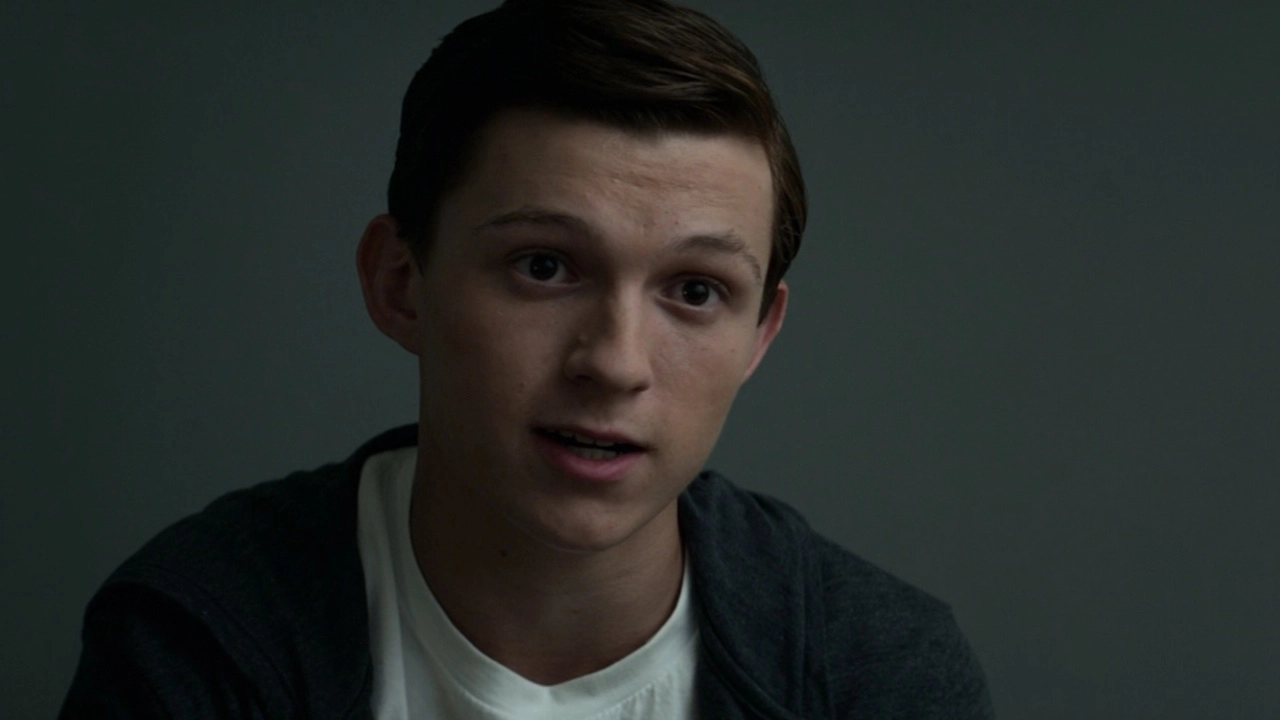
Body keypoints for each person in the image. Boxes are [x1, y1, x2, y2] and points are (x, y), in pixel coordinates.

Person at [60, 0, 994, 717]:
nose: (615, 363)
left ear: (760, 335)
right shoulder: (200, 636)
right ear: (400, 283)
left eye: (695, 290)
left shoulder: (877, 673)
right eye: (544, 266)